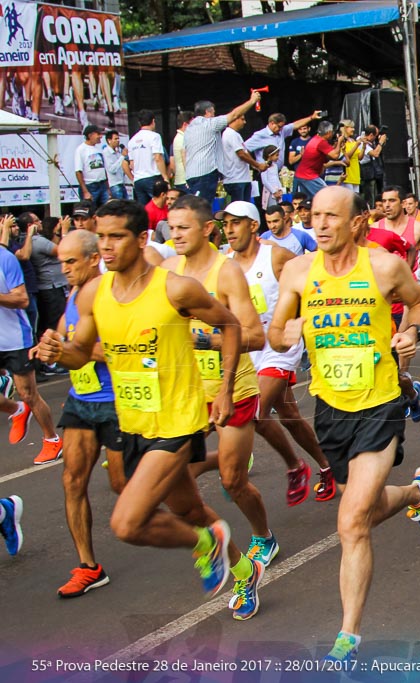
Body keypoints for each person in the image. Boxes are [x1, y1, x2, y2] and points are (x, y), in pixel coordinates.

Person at [34, 199, 263, 620]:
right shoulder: (94, 293)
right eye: (101, 237)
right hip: (134, 422)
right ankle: (246, 569)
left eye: (116, 236)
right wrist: (55, 351)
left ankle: (206, 544)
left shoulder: (174, 288)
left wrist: (227, 389)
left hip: (178, 422)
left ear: (141, 239)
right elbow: (80, 354)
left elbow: (232, 326)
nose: (106, 246)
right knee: (189, 510)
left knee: (127, 523)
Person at [268, 186, 420, 663]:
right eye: (314, 216)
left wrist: (409, 332)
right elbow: (277, 333)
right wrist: (291, 329)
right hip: (331, 408)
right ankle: (414, 494)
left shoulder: (384, 266)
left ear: (356, 222)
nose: (319, 225)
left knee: (350, 523)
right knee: (359, 510)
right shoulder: (299, 271)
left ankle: (348, 635)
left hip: (381, 403)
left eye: (331, 217)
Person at [163, 196, 278, 572]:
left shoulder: (225, 272)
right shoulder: (167, 270)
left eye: (183, 227)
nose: (175, 234)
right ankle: (212, 539)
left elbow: (255, 338)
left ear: (206, 229)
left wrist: (208, 341)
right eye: (171, 227)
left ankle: (263, 536)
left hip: (233, 387)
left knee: (233, 480)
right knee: (171, 480)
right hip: (186, 392)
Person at [222, 200, 336, 506]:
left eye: (236, 223)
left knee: (255, 413)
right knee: (289, 415)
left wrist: (306, 319)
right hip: (248, 349)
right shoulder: (225, 264)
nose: (229, 230)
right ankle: (327, 466)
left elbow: (313, 278)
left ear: (253, 225)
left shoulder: (275, 256)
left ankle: (295, 467)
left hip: (279, 345)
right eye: (226, 224)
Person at [38, 230, 123, 597]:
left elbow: (118, 351)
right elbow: (65, 335)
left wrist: (74, 349)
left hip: (117, 402)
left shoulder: (112, 292)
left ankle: (198, 514)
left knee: (123, 485)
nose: (65, 269)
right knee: (73, 481)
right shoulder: (74, 294)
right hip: (82, 400)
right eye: (61, 262)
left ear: (93, 258)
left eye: (71, 262)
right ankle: (89, 566)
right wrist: (50, 345)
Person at [0, 234, 62, 465]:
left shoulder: (5, 259)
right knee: (22, 400)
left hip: (14, 337)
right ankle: (17, 409)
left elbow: (22, 299)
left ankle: (52, 440)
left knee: (29, 394)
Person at [184, 93, 261, 201]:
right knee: (202, 208)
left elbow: (185, 152)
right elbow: (234, 115)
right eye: (214, 113)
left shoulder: (189, 128)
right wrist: (252, 101)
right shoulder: (209, 124)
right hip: (205, 174)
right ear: (208, 112)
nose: (214, 115)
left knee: (195, 205)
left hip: (191, 174)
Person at [126, 110, 168, 206]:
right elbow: (158, 157)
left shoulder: (132, 141)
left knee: (145, 210)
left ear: (139, 123)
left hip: (138, 180)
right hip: (153, 177)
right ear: (153, 121)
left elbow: (131, 164)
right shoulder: (154, 136)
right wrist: (165, 177)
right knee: (160, 206)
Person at [74, 125, 109, 208]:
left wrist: (107, 187)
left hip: (102, 184)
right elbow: (78, 171)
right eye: (98, 134)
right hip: (90, 186)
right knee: (90, 211)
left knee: (105, 210)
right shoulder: (81, 149)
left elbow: (103, 169)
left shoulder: (98, 149)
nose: (100, 136)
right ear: (90, 135)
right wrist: (85, 191)